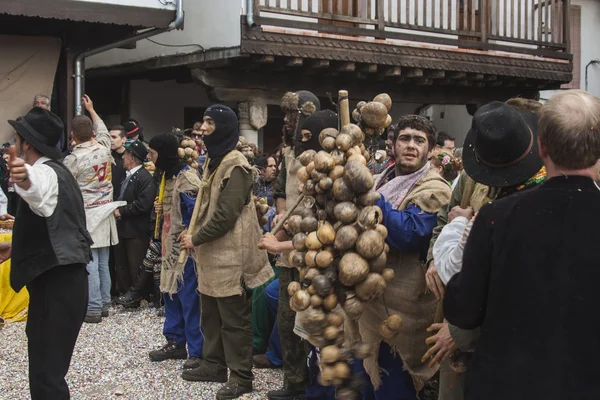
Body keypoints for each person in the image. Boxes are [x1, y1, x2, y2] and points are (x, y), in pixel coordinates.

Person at [444, 90, 600, 400]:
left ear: (541, 146)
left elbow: (462, 311)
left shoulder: (495, 217)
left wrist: (455, 233)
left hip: (507, 384)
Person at [424, 101, 544, 400]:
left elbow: (516, 285)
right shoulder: (469, 175)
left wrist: (459, 332)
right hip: (457, 310)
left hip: (493, 332)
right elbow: (443, 218)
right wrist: (434, 260)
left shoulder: (543, 193)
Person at [179, 105, 273, 399]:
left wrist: (196, 238)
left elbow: (225, 216)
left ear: (223, 126)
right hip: (210, 256)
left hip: (229, 256)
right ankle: (213, 365)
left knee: (234, 320)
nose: (204, 127)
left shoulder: (237, 165)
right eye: (204, 121)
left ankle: (242, 377)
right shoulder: (214, 162)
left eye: (210, 122)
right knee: (211, 316)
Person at [356, 115, 451, 399]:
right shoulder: (379, 180)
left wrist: (372, 198)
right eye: (404, 139)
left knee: (395, 387)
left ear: (430, 149)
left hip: (406, 312)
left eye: (419, 141)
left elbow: (410, 234)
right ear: (393, 144)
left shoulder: (435, 188)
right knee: (365, 381)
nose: (411, 146)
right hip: (369, 304)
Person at [7, 107, 92, 399]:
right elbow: (54, 219)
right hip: (65, 281)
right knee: (48, 372)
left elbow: (38, 192)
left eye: (17, 139)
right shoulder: (61, 172)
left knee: (47, 377)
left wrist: (24, 179)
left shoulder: (43, 172)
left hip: (57, 285)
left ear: (27, 144)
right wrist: (16, 244)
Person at [268, 90, 321, 400]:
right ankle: (294, 381)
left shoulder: (319, 153)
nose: (288, 120)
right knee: (287, 317)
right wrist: (280, 212)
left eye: (294, 114)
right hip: (287, 244)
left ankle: (314, 382)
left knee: (311, 317)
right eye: (285, 114)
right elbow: (280, 187)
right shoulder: (288, 151)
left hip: (313, 246)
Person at [146, 133, 204, 370]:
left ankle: (197, 350)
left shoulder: (187, 178)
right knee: (169, 291)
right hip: (168, 246)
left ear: (164, 152)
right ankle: (175, 341)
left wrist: (190, 233)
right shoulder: (167, 176)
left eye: (153, 153)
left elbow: (196, 211)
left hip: (184, 249)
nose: (150, 157)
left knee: (189, 297)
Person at [64, 95, 122, 323]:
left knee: (90, 260)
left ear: (73, 135)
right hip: (106, 207)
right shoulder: (105, 147)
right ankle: (105, 302)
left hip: (87, 211)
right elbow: (104, 130)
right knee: (103, 259)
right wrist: (92, 110)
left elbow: (65, 187)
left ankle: (94, 307)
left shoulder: (73, 159)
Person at [113, 141, 156, 306]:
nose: (123, 157)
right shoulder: (128, 176)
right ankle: (126, 293)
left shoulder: (144, 178)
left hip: (137, 230)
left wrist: (122, 211)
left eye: (125, 154)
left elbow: (144, 204)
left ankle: (140, 295)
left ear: (132, 157)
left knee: (135, 264)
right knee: (122, 263)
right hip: (124, 228)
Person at [110, 125, 127, 201]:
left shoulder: (131, 157)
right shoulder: (107, 157)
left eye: (114, 137)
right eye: (109, 137)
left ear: (123, 139)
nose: (110, 140)